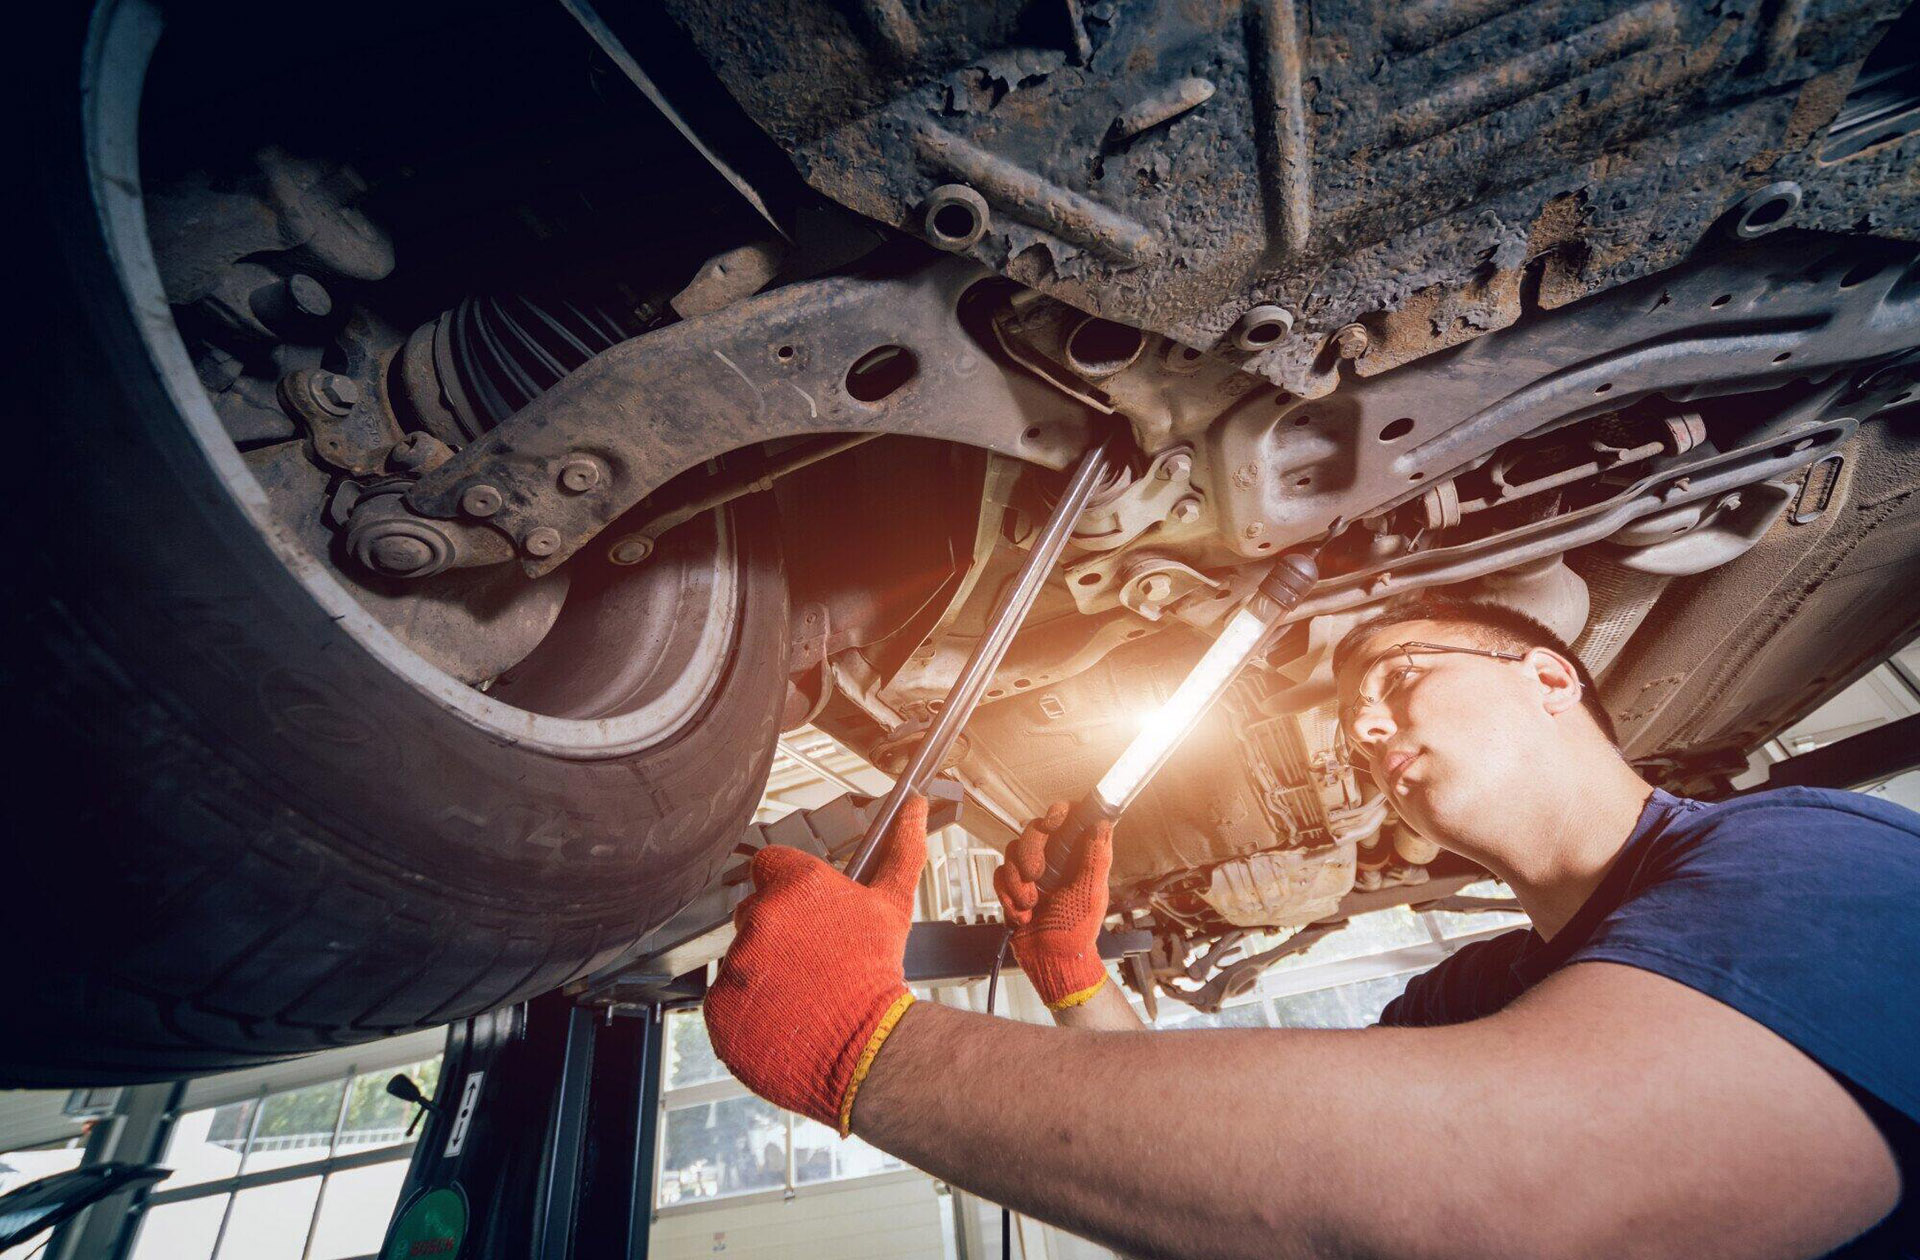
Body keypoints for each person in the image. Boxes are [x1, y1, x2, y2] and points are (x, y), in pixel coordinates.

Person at [703, 595, 1919, 1258]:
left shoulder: (1815, 850)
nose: (1370, 733)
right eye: (1356, 722)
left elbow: (1524, 1199)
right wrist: (1069, 973)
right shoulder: (1467, 997)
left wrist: (869, 1047)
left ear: (1553, 678)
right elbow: (1238, 1176)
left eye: (1399, 683)